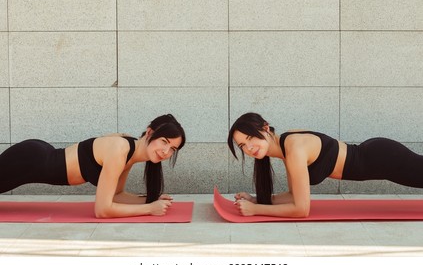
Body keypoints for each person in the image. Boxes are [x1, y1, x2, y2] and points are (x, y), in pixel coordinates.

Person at [228, 112, 423, 218]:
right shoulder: (287, 146)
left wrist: (256, 210)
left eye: (251, 137)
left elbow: (301, 210)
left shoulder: (294, 148)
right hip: (375, 153)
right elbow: (294, 197)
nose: (249, 147)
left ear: (265, 127)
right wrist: (256, 200)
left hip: (383, 157)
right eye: (243, 145)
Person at [0, 114, 185, 218]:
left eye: (172, 149)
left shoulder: (130, 152)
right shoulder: (120, 149)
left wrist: (150, 199)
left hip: (40, 155)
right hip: (31, 160)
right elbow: (102, 210)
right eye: (164, 141)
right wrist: (149, 209)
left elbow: (117, 196)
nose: (166, 151)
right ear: (150, 132)